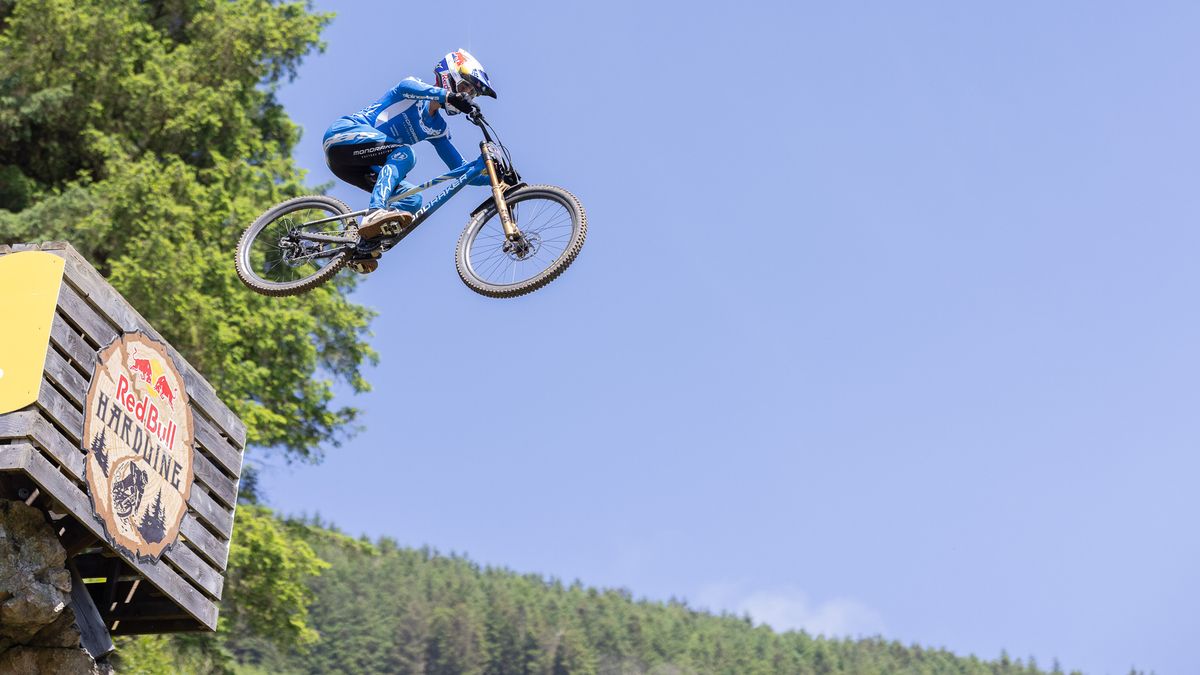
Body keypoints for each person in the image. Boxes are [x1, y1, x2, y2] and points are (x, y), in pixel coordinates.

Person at [322, 49, 498, 273]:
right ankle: (375, 212)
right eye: (465, 87)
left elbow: (460, 171)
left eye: (472, 94)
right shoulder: (412, 87)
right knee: (405, 153)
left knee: (412, 201)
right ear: (450, 76)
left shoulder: (438, 128)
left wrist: (491, 172)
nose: (467, 95)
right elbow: (408, 88)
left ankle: (358, 246)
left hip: (356, 165)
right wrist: (447, 97)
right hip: (342, 136)